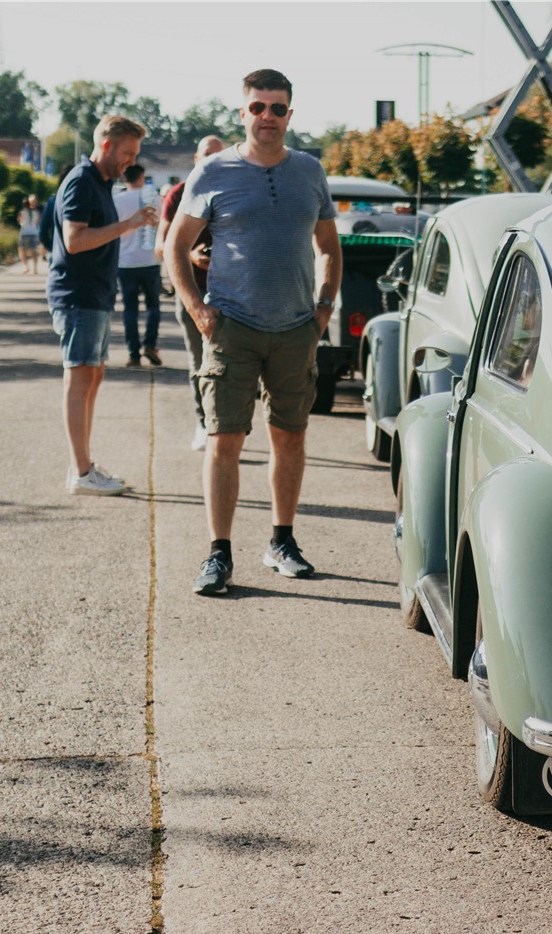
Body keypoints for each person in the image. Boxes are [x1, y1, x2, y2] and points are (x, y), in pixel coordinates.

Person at [167, 69, 341, 596]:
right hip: (232, 327)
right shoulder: (213, 172)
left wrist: (323, 311)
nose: (268, 116)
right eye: (258, 107)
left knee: (289, 438)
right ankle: (218, 554)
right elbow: (177, 247)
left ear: (291, 114)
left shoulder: (309, 172)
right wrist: (198, 308)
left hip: (295, 329)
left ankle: (281, 542)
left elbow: (330, 247)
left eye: (278, 108)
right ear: (243, 113)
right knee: (225, 440)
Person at [48, 114, 157, 497]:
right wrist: (128, 225)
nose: (131, 161)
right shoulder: (81, 181)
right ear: (107, 145)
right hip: (77, 295)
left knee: (92, 377)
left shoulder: (99, 182)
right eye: (128, 152)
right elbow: (74, 241)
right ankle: (80, 472)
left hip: (93, 294)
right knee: (79, 378)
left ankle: (85, 465)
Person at [156, 135, 225, 450]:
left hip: (230, 292)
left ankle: (226, 427)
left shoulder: (234, 191)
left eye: (219, 156)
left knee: (234, 366)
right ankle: (203, 423)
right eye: (207, 155)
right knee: (199, 361)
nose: (213, 161)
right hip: (192, 291)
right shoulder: (179, 194)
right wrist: (191, 255)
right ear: (196, 160)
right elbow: (161, 246)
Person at [113, 164, 162, 366]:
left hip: (126, 260)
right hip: (150, 259)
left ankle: (133, 353)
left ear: (124, 178)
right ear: (142, 177)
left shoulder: (116, 200)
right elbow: (161, 223)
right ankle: (150, 344)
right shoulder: (153, 199)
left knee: (130, 308)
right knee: (153, 305)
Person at [16, 193, 43, 275]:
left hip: (31, 232)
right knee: (24, 249)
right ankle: (27, 267)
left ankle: (32, 267)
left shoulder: (24, 210)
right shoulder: (37, 210)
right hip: (29, 232)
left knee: (32, 250)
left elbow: (19, 220)